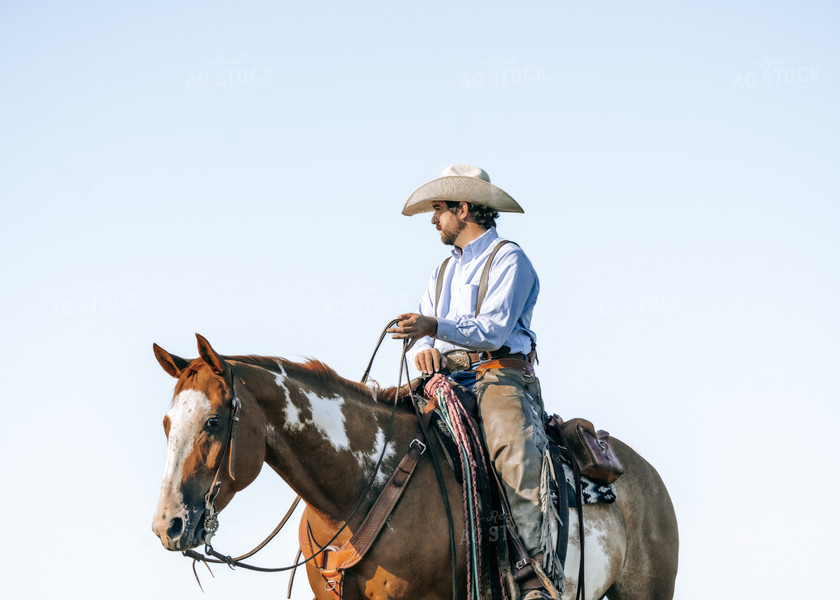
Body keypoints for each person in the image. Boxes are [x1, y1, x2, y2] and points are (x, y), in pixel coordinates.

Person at [388, 164, 558, 600]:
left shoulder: (509, 258)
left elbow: (494, 331)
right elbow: (427, 332)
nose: (433, 220)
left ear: (464, 209)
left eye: (439, 210)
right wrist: (425, 347)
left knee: (512, 454)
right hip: (447, 378)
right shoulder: (442, 271)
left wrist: (434, 327)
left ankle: (536, 576)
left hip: (500, 377)